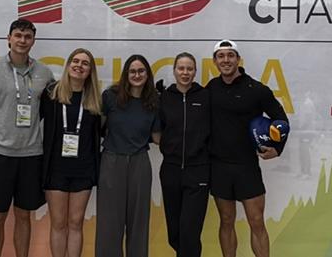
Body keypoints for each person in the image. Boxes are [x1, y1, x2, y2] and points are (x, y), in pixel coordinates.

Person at [0, 18, 54, 257]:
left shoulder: (45, 73)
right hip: (0, 156)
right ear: (9, 39)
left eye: (27, 37)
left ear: (33, 41)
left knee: (24, 215)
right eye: (18, 35)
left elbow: (50, 113)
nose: (22, 40)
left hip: (31, 156)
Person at [206, 40, 288, 257]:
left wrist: (277, 148)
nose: (226, 60)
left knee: (256, 221)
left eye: (230, 55)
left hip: (247, 166)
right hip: (219, 166)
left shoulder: (257, 90)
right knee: (226, 220)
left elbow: (280, 119)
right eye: (221, 56)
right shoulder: (211, 88)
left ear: (238, 59)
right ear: (214, 61)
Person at [95, 54, 161, 257]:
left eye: (141, 71)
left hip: (140, 163)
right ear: (126, 74)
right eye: (132, 71)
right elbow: (98, 128)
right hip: (112, 161)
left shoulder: (154, 101)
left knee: (138, 222)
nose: (137, 75)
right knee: (109, 223)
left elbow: (158, 138)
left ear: (147, 74)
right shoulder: (110, 96)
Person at [41, 48, 103, 257]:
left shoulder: (95, 99)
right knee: (58, 223)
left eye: (85, 63)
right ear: (68, 66)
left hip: (83, 170)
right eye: (75, 61)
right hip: (56, 169)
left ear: (90, 71)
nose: (79, 66)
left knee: (76, 223)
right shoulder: (51, 95)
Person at [158, 52, 211, 257]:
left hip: (198, 171)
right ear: (174, 71)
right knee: (175, 233)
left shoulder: (205, 96)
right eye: (181, 68)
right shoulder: (164, 98)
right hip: (170, 171)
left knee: (190, 231)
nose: (185, 72)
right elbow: (157, 131)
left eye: (189, 69)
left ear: (195, 71)